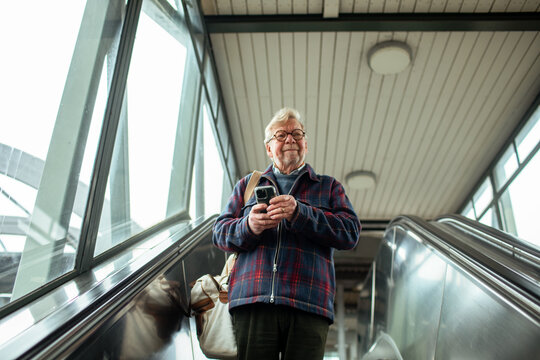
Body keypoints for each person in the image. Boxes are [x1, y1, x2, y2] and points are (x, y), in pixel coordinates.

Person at [212, 107, 361, 360]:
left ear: (305, 144)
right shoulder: (247, 185)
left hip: (309, 305)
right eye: (281, 135)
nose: (290, 139)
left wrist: (300, 213)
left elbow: (350, 232)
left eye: (296, 133)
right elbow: (219, 233)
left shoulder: (328, 186)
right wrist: (249, 226)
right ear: (269, 149)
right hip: (253, 303)